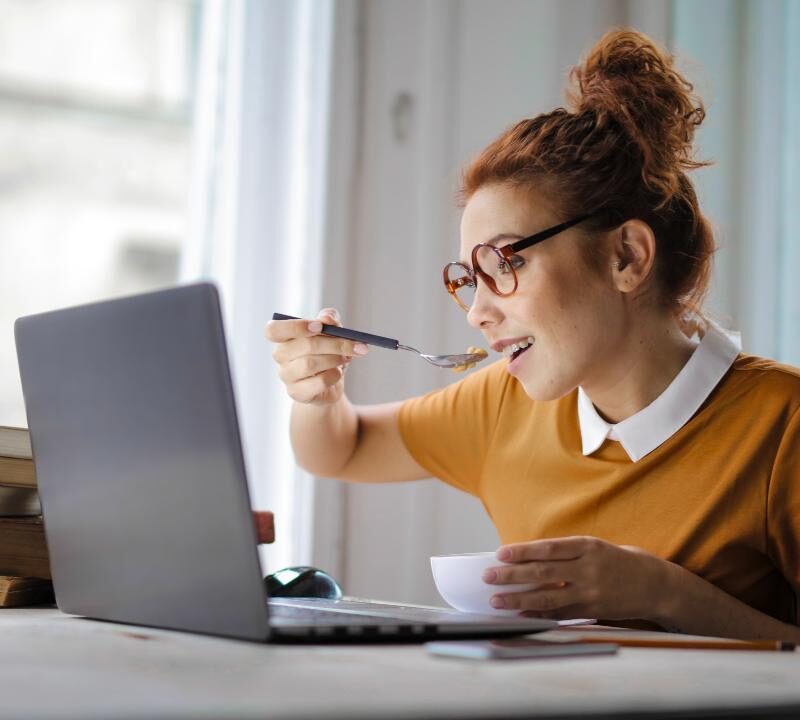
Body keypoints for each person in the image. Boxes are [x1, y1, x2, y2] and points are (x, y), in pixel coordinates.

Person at [263, 28, 800, 641]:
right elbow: (341, 448)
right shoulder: (502, 405)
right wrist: (318, 395)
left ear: (626, 256)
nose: (477, 312)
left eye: (505, 263)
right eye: (470, 277)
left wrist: (666, 595)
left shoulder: (784, 427)